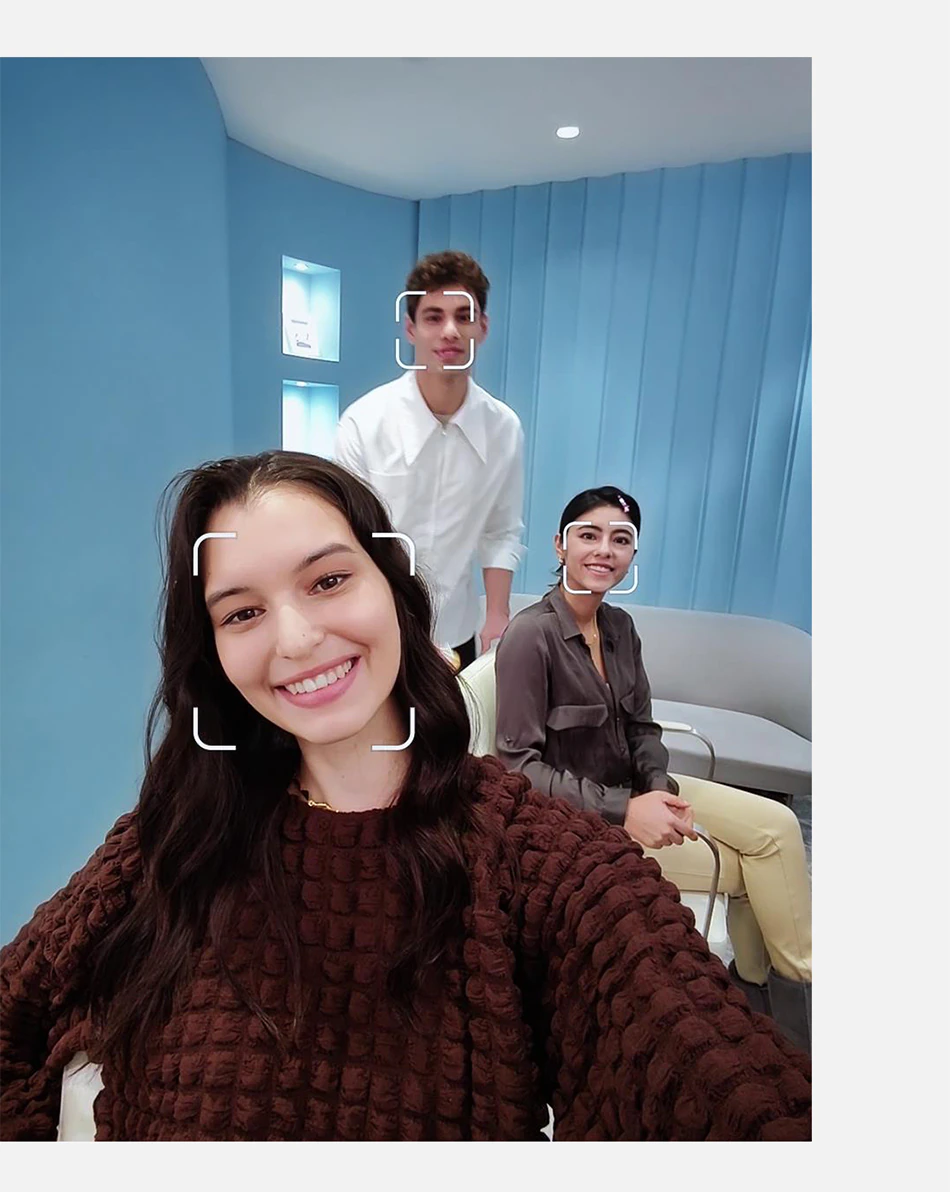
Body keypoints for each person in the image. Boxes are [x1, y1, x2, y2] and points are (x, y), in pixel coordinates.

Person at [0, 453, 810, 1141]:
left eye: (328, 580)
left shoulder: (539, 867)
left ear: (393, 587)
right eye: (242, 612)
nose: (295, 639)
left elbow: (720, 1082)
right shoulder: (174, 840)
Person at [493, 485, 813, 1052]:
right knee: (750, 871)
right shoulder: (529, 636)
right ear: (561, 545)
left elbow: (642, 729)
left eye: (621, 540)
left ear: (633, 555)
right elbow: (517, 769)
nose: (604, 550)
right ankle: (790, 1007)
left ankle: (775, 988)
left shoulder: (620, 629)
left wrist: (659, 790)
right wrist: (626, 810)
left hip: (640, 790)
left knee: (777, 828)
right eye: (589, 535)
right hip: (582, 821)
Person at [334, 250, 524, 670]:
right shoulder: (364, 423)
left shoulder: (503, 428)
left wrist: (498, 614)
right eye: (434, 317)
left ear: (483, 327)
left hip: (458, 633)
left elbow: (501, 531)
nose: (450, 331)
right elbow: (345, 538)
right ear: (411, 329)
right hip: (376, 632)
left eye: (464, 316)